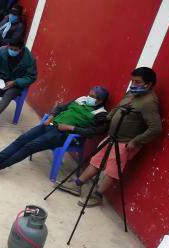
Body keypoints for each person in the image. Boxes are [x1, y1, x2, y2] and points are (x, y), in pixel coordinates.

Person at [58, 67, 162, 207]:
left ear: (148, 84)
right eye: (132, 81)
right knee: (96, 161)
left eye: (137, 82)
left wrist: (135, 141)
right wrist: (108, 117)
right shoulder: (131, 92)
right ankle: (76, 185)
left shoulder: (149, 102)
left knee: (112, 171)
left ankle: (97, 196)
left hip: (125, 142)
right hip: (112, 136)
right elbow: (118, 107)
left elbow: (155, 128)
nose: (133, 84)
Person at [0, 86, 110, 173]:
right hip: (51, 124)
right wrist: (51, 116)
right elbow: (60, 107)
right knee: (23, 138)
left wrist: (71, 127)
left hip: (64, 134)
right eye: (89, 94)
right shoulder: (81, 100)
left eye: (92, 96)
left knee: (30, 146)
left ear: (99, 101)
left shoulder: (101, 114)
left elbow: (93, 133)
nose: (88, 97)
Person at [0, 39, 38, 131]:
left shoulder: (29, 59)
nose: (12, 51)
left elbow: (31, 77)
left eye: (15, 50)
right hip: (0, 80)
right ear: (8, 46)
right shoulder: (0, 51)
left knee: (8, 95)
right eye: (10, 49)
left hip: (16, 84)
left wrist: (15, 82)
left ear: (21, 49)